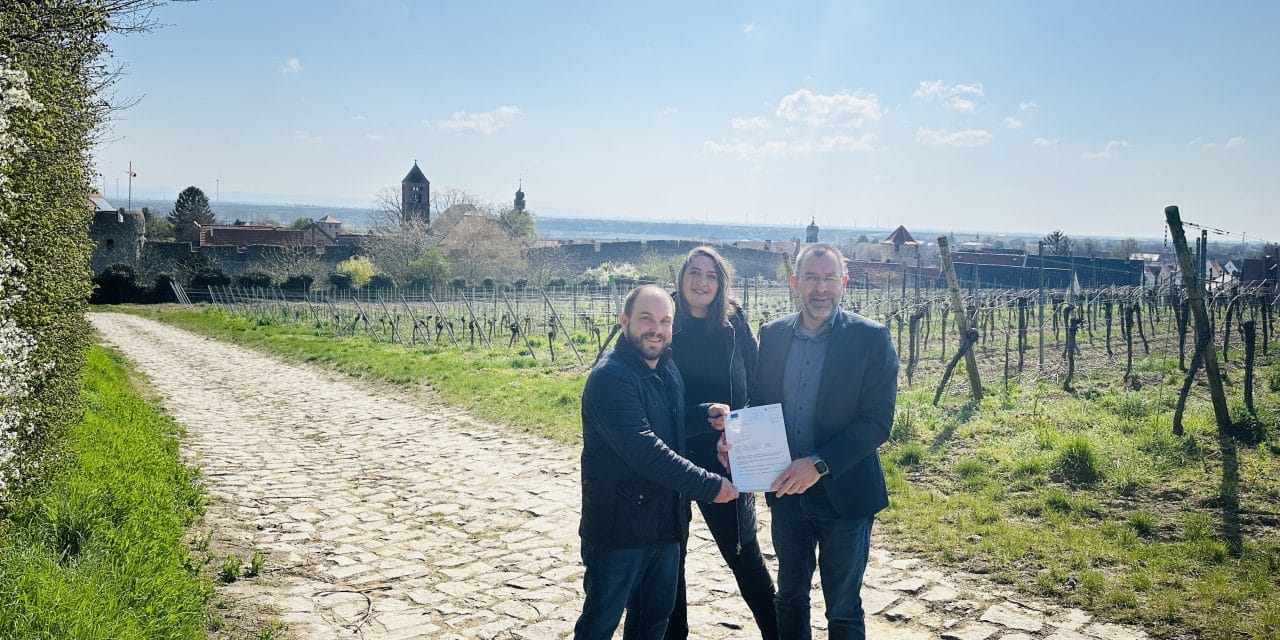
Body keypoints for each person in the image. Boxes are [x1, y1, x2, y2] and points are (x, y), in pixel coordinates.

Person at [575, 284, 741, 640]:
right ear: (624, 321)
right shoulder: (610, 378)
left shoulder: (666, 368)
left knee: (652, 626)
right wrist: (710, 485)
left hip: (665, 526)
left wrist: (703, 415)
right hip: (619, 531)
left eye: (665, 321)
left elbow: (667, 418)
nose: (656, 329)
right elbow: (645, 450)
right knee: (598, 626)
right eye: (646, 319)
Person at [752, 244, 898, 640]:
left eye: (830, 278)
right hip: (786, 491)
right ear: (795, 282)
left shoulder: (870, 338)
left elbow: (877, 422)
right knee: (789, 598)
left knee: (844, 609)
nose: (821, 288)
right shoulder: (773, 334)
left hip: (845, 495)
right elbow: (760, 403)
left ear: (844, 282)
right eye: (812, 278)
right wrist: (736, 436)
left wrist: (818, 464)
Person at [666, 247, 778, 640]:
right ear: (681, 277)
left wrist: (741, 437)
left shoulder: (734, 322)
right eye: (694, 272)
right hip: (671, 453)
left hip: (726, 457)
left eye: (711, 275)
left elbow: (757, 381)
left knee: (744, 554)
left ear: (721, 283)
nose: (701, 282)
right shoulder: (665, 320)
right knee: (670, 558)